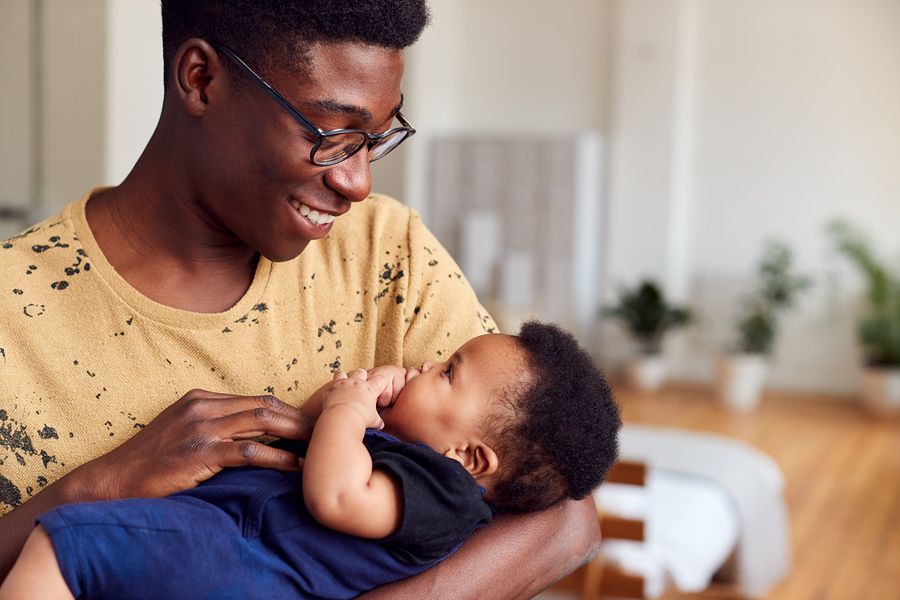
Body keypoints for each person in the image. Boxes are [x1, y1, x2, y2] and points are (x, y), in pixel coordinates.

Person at [0, 1, 603, 596]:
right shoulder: (13, 308)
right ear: (201, 79)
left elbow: (560, 514)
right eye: (334, 133)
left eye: (376, 137)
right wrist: (96, 488)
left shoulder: (384, 255)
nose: (358, 182)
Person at [0, 322, 621, 599]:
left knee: (65, 542)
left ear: (470, 456)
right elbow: (321, 437)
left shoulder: (446, 497)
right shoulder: (412, 458)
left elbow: (338, 497)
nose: (429, 364)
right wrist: (345, 401)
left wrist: (350, 413)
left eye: (449, 372)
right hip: (227, 546)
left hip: (243, 559)